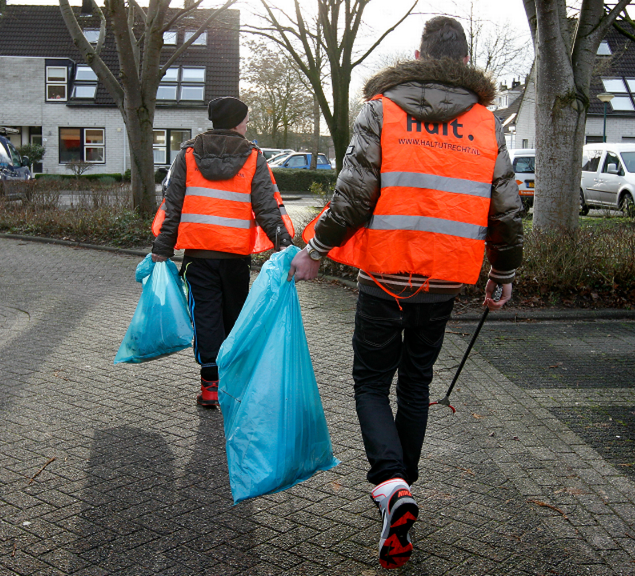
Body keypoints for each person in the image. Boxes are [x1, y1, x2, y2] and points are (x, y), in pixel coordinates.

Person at [289, 16, 524, 570]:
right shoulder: (486, 122)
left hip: (383, 277)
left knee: (371, 382)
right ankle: (402, 490)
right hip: (442, 280)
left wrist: (315, 250)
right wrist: (504, 273)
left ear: (419, 56)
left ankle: (391, 485)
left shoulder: (382, 109)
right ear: (464, 61)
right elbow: (506, 208)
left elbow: (353, 195)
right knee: (415, 384)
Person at [152, 96, 294, 408]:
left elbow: (173, 204)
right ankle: (233, 383)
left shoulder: (188, 154)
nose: (247, 126)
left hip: (198, 256)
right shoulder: (253, 156)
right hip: (235, 257)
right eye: (246, 121)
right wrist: (285, 245)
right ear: (238, 123)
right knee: (235, 318)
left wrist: (162, 249)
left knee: (206, 318)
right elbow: (266, 207)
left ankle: (210, 387)